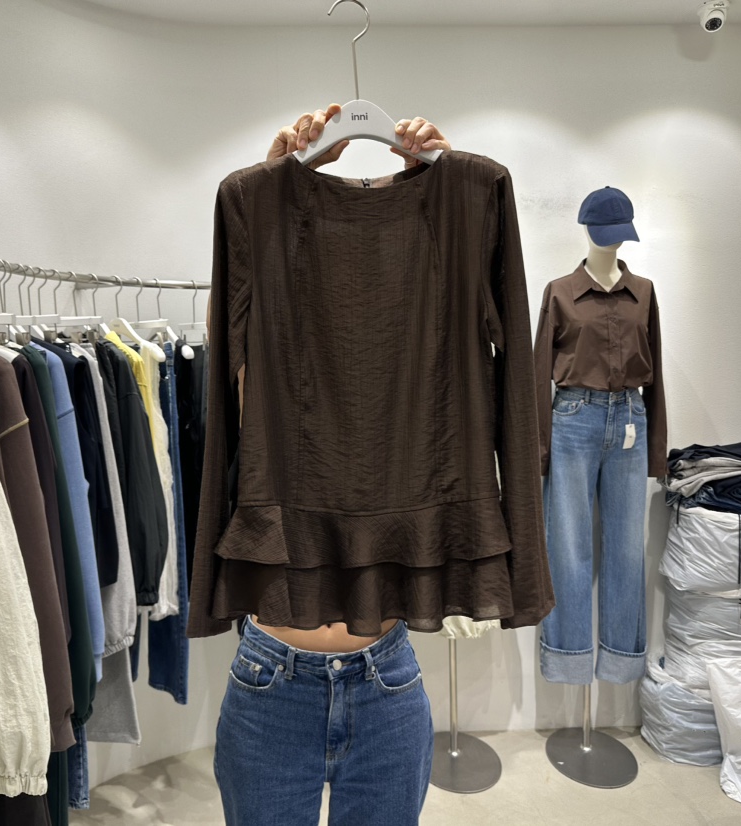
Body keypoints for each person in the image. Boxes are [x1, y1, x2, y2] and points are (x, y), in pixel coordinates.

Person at [212, 103, 452, 826]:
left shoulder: (417, 351)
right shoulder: (267, 341)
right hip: (271, 680)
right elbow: (234, 358)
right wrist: (271, 194)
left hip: (388, 678)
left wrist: (441, 193)